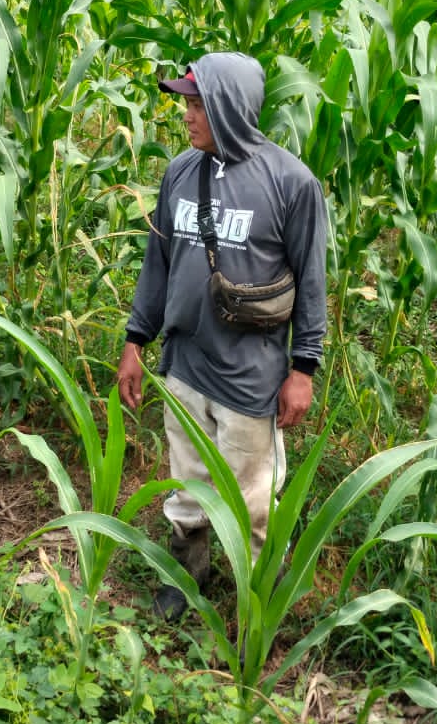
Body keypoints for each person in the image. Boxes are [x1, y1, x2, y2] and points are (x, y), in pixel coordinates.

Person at [117, 50, 328, 621]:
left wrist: (303, 369)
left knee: (253, 500)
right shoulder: (181, 173)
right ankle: (188, 573)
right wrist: (136, 341)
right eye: (185, 103)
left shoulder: (291, 183)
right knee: (187, 484)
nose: (186, 115)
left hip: (249, 374)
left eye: (196, 104)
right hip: (185, 363)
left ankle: (259, 599)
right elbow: (158, 263)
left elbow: (312, 282)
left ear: (229, 107)